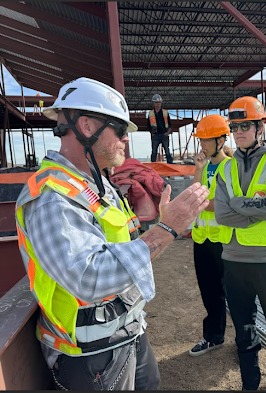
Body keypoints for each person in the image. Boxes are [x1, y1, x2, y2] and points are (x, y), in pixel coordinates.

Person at [15, 77, 209, 390]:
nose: (126, 140)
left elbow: (125, 248)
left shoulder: (97, 185)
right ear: (87, 127)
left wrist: (159, 228)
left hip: (127, 333)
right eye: (120, 130)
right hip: (91, 356)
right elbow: (88, 278)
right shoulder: (52, 197)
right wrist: (166, 229)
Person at [214, 96, 266, 390]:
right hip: (233, 261)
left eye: (245, 125)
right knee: (243, 330)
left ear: (260, 126)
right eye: (234, 126)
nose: (238, 132)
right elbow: (223, 214)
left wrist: (238, 205)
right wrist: (252, 210)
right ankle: (251, 383)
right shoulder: (225, 169)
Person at [189, 114, 233, 356]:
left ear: (220, 140)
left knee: (234, 293)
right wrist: (198, 169)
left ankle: (246, 340)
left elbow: (224, 204)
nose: (202, 144)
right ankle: (213, 337)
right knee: (209, 291)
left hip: (224, 240)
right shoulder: (204, 165)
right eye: (201, 140)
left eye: (207, 139)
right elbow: (196, 191)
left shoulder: (231, 167)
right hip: (202, 239)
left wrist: (201, 202)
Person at [147, 93, 173, 164]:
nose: (157, 104)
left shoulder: (165, 112)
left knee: (167, 151)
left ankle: (170, 165)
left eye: (158, 102)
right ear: (153, 103)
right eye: (156, 102)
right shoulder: (150, 113)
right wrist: (152, 133)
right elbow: (148, 125)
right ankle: (153, 166)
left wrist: (167, 133)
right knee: (154, 152)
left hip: (164, 134)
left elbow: (170, 124)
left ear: (161, 103)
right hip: (155, 135)